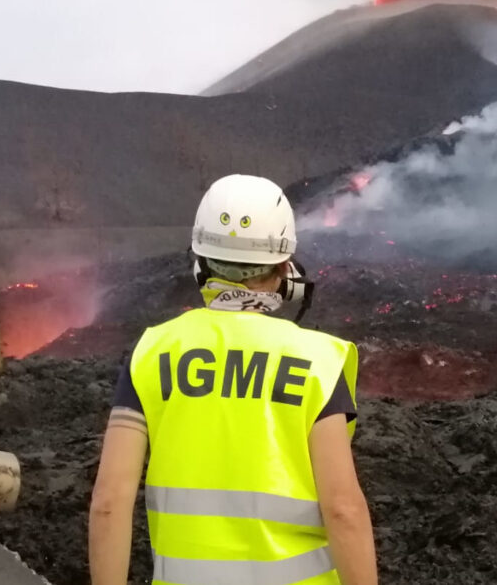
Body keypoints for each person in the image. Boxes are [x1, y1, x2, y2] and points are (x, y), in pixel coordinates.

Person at [88, 174, 377, 585]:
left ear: (200, 262)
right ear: (284, 268)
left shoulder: (152, 353)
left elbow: (108, 503)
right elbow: (343, 509)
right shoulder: (316, 361)